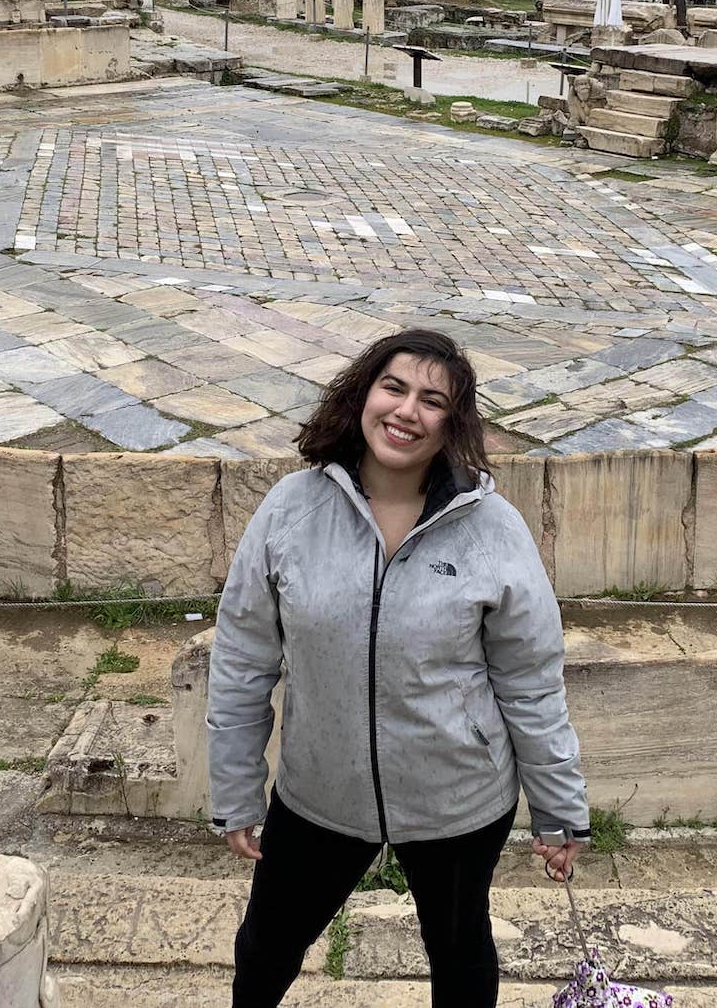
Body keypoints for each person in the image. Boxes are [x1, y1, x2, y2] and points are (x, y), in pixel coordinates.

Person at [207, 328, 589, 1008]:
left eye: (432, 399)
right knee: (264, 947)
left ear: (453, 424)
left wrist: (559, 807)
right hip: (318, 792)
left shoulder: (494, 530)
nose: (407, 410)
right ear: (363, 394)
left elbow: (531, 679)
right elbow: (242, 659)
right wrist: (236, 787)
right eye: (394, 386)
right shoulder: (289, 511)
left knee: (461, 951)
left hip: (459, 801)